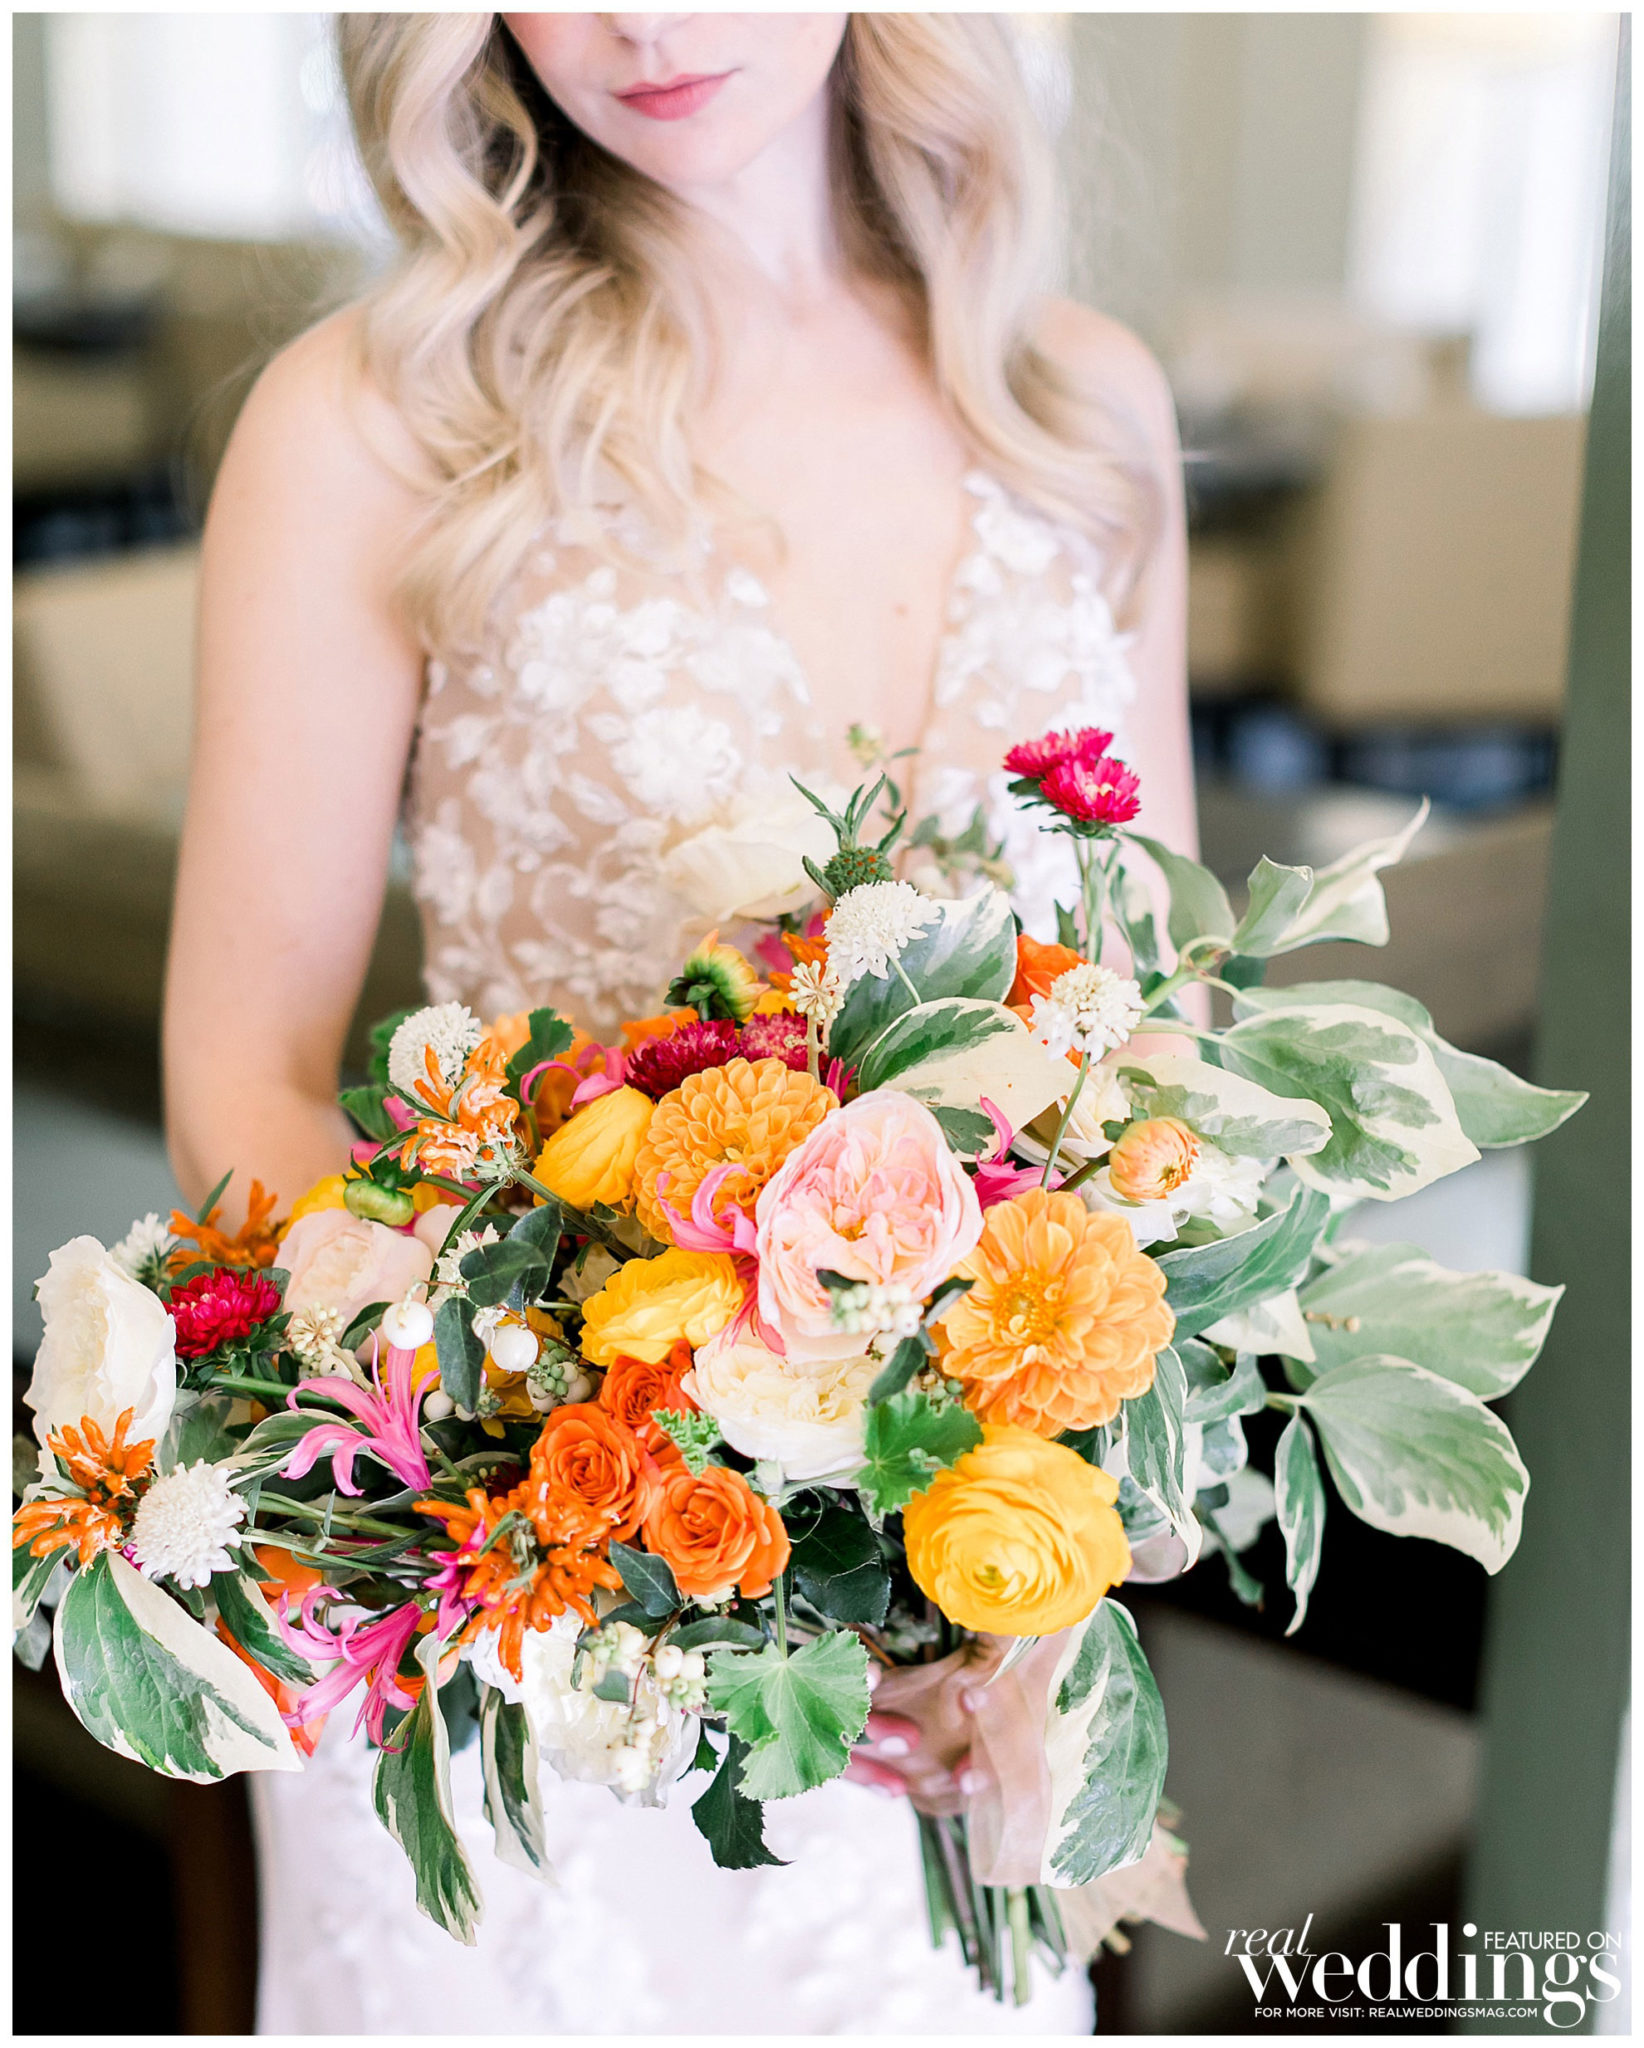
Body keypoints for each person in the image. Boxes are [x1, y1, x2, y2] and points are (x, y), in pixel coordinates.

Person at [162, 13, 1195, 2034]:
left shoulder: (1078, 404)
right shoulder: (377, 422)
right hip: (538, 1625)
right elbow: (246, 1068)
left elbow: (1148, 1040)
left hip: (953, 1660)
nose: (640, 20)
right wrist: (583, 1500)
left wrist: (1032, 1543)